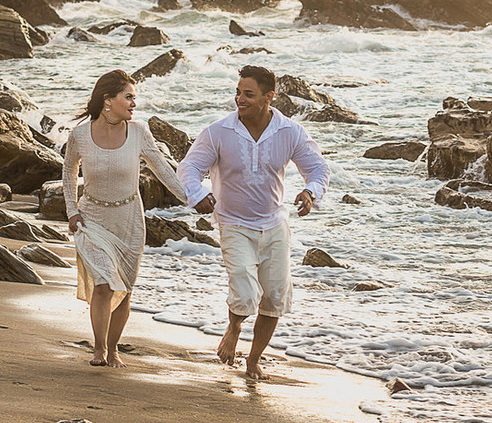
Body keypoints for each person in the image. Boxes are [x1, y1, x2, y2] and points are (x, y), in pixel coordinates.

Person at [177, 65, 330, 380]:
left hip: (275, 224)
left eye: (248, 94)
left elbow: (318, 168)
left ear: (269, 97)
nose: (239, 99)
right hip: (233, 223)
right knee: (246, 292)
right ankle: (233, 327)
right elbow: (189, 167)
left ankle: (253, 360)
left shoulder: (291, 132)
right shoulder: (219, 131)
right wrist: (197, 194)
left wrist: (310, 192)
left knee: (274, 297)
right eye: (237, 93)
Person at [63, 69, 189, 367]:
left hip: (130, 220)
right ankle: (99, 349)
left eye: (134, 97)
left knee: (124, 290)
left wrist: (192, 198)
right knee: (105, 282)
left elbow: (162, 169)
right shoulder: (80, 134)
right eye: (128, 97)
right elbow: (69, 172)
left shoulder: (139, 132)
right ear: (108, 100)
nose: (134, 103)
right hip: (92, 219)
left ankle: (114, 348)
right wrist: (71, 210)